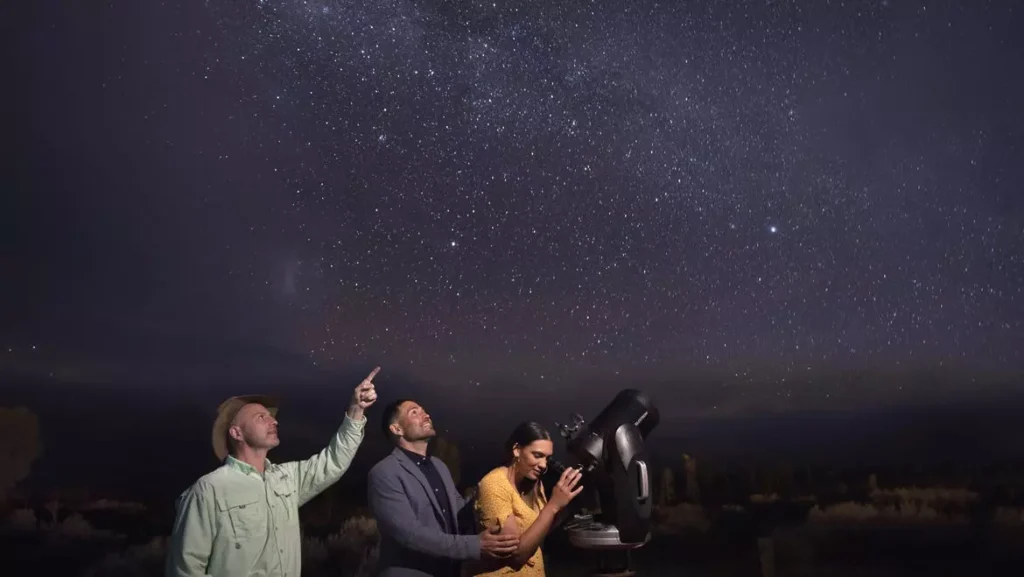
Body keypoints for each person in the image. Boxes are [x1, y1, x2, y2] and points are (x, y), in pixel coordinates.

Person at [164, 367, 380, 577]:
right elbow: (184, 570)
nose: (274, 421)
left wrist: (356, 409)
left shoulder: (287, 478)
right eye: (261, 417)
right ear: (236, 433)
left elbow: (333, 461)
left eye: (271, 416)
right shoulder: (208, 490)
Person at [368, 399, 521, 577]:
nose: (426, 415)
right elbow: (409, 534)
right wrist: (474, 546)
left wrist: (493, 487)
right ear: (397, 429)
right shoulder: (384, 472)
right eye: (414, 412)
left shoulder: (439, 466)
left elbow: (461, 513)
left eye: (424, 410)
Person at [466, 421, 584, 577]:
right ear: (516, 450)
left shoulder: (534, 485)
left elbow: (538, 532)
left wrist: (564, 507)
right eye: (537, 455)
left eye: (547, 458)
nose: (543, 465)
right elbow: (516, 556)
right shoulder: (494, 485)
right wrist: (553, 505)